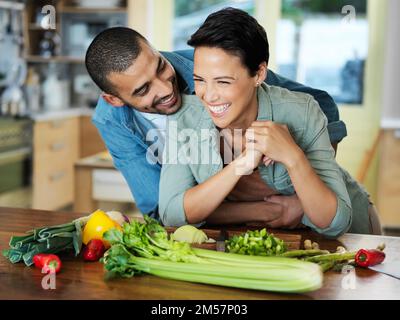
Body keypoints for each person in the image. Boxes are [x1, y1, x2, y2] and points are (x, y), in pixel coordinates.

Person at [85, 25, 347, 227]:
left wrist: (303, 176)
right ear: (114, 99)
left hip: (301, 223)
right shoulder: (110, 121)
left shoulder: (210, 64)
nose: (166, 89)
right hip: (222, 225)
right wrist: (276, 209)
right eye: (143, 89)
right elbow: (160, 210)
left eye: (160, 66)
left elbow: (321, 103)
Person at [159, 7, 381, 237]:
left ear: (259, 74)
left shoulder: (302, 111)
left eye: (223, 82)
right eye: (200, 80)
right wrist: (243, 170)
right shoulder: (185, 117)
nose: (209, 95)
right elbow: (171, 213)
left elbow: (335, 223)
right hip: (263, 240)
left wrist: (292, 156)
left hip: (355, 237)